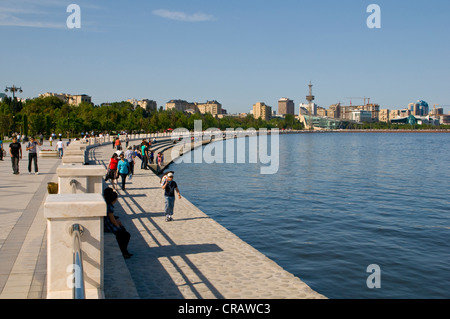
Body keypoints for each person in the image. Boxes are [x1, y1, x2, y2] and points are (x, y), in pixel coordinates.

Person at [103, 187, 132, 259]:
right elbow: (112, 220)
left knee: (124, 234)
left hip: (107, 224)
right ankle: (124, 251)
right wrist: (119, 226)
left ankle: (124, 251)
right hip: (109, 226)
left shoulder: (107, 204)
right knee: (126, 235)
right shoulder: (109, 207)